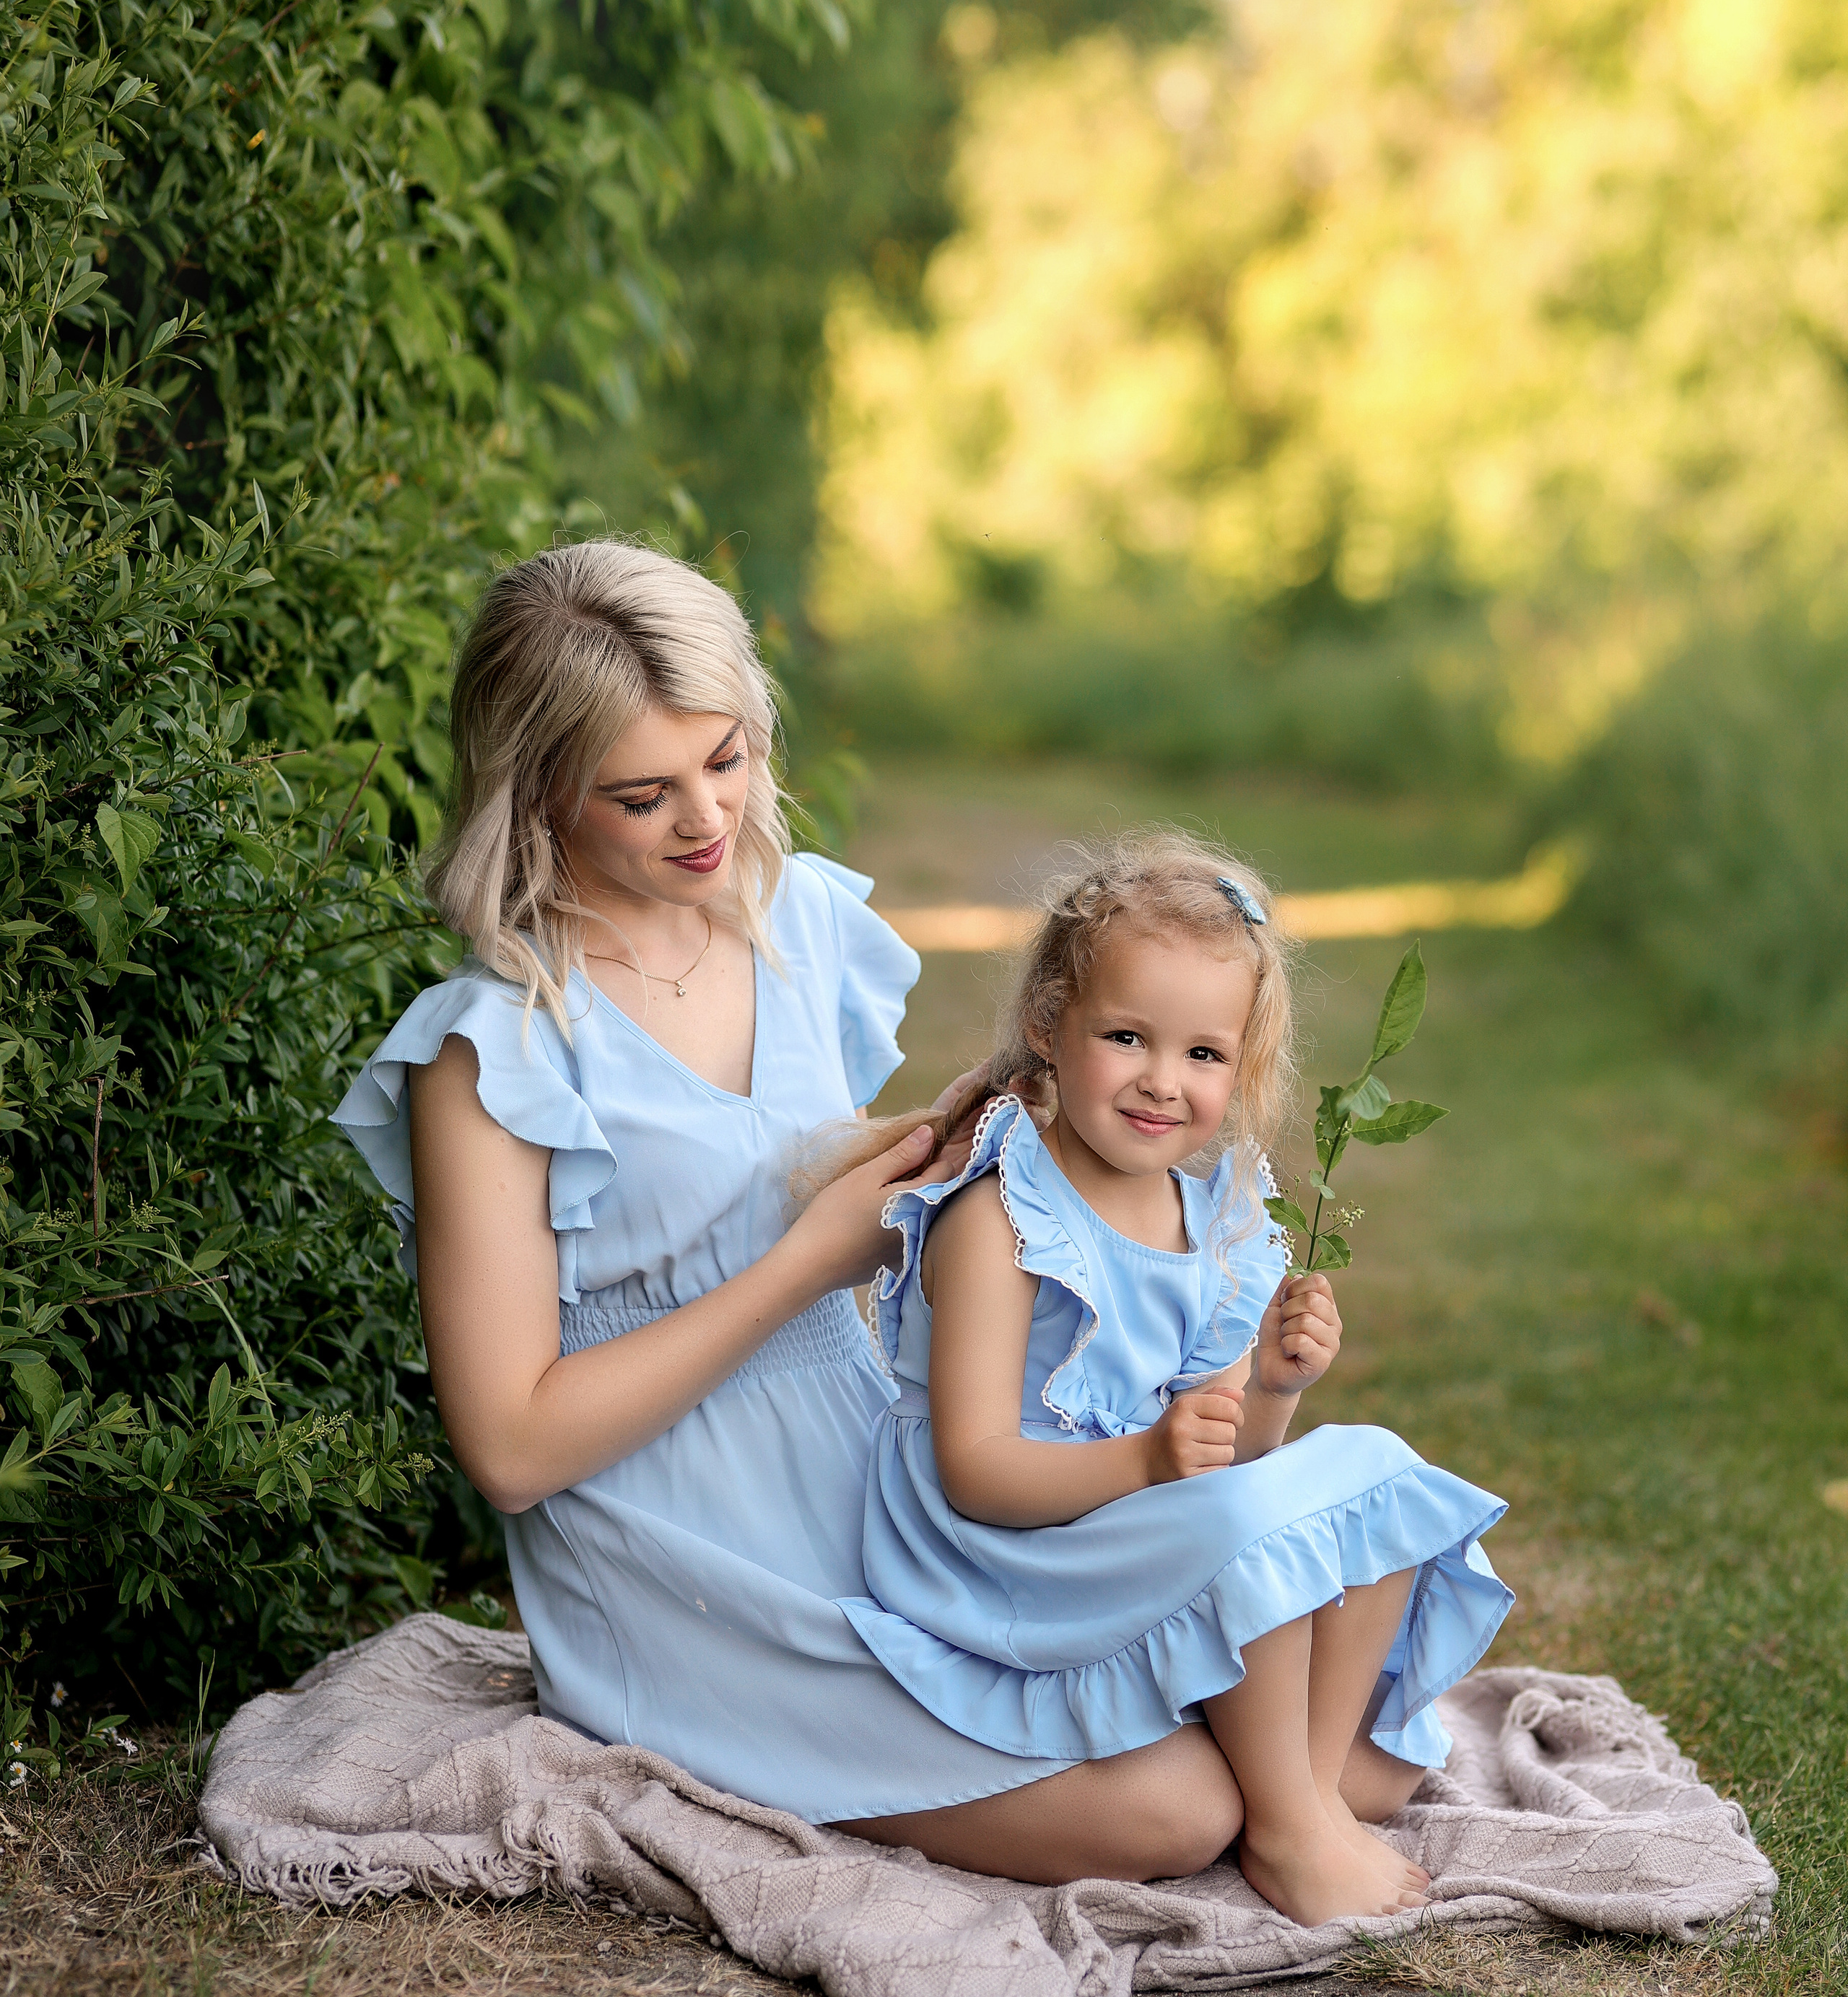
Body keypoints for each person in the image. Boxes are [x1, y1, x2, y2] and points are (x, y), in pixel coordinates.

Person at [334, 540, 1263, 1890]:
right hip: (684, 1552)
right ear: (538, 795)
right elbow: (515, 1446)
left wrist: (928, 1151)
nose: (708, 816)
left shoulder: (796, 922)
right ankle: (784, 1736)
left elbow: (795, 1180)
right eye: (643, 793)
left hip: (876, 1471)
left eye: (728, 758)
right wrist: (807, 1260)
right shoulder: (498, 1057)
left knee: (1269, 1702)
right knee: (1175, 1810)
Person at [825, 832, 1513, 1924]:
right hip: (1004, 1552)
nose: (1162, 1080)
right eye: (1128, 1036)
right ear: (1052, 1023)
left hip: (1141, 1532)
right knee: (1253, 1547)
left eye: (1202, 1054)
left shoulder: (1219, 1228)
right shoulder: (1002, 1217)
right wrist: (1148, 1456)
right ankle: (1290, 1827)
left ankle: (1304, 1786)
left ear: (1241, 1067)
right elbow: (973, 1469)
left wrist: (1277, 1388)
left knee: (1376, 1472)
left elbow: (1233, 1466)